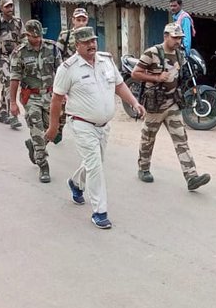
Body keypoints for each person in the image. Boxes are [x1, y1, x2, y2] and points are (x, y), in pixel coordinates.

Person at [47, 27, 144, 230]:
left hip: (104, 125)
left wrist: (134, 103)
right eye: (86, 42)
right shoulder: (68, 68)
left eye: (93, 41)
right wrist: (53, 126)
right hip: (82, 124)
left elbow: (119, 85)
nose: (91, 45)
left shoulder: (106, 61)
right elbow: (56, 99)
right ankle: (100, 212)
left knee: (95, 162)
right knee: (96, 166)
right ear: (77, 45)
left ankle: (76, 183)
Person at [130, 23, 211, 190]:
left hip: (173, 103)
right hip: (155, 105)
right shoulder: (151, 53)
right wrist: (157, 78)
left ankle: (191, 176)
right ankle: (143, 168)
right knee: (148, 138)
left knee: (181, 139)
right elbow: (135, 73)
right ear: (165, 36)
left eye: (180, 38)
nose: (177, 41)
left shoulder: (179, 54)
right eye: (175, 37)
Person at [8, 20, 63, 183]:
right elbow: (14, 78)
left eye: (39, 36)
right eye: (33, 37)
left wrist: (64, 93)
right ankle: (43, 165)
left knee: (52, 130)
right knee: (38, 131)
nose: (37, 39)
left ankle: (34, 144)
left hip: (50, 96)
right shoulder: (20, 52)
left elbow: (61, 72)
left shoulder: (52, 48)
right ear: (27, 35)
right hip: (31, 97)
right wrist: (12, 103)